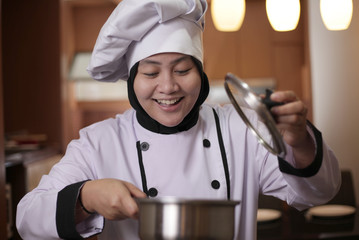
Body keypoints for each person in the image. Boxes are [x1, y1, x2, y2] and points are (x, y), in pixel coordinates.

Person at [16, 0, 341, 239]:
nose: (168, 87)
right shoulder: (99, 142)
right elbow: (28, 219)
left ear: (200, 74)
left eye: (183, 70)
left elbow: (320, 193)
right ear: (132, 81)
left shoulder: (239, 129)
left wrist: (298, 141)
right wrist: (86, 197)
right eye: (151, 72)